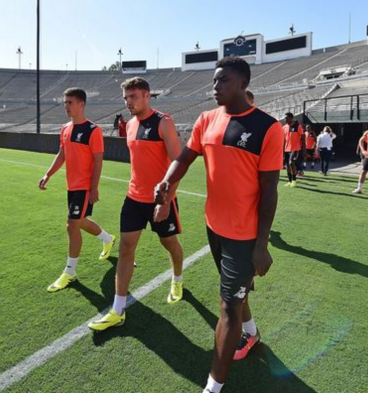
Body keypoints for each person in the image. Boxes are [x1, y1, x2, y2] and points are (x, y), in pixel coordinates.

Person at [154, 57, 283, 393]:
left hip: (244, 236)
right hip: (214, 226)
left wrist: (261, 243)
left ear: (243, 84)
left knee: (227, 308)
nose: (215, 87)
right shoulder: (206, 119)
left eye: (222, 80)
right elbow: (184, 157)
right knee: (235, 296)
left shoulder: (267, 128)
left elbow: (270, 192)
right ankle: (252, 333)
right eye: (214, 81)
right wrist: (167, 182)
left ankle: (213, 387)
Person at [88, 77, 185, 331]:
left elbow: (179, 164)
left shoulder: (163, 122)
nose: (128, 102)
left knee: (169, 243)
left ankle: (177, 278)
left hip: (160, 199)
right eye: (125, 98)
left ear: (147, 96)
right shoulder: (130, 125)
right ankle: (118, 309)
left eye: (133, 97)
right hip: (133, 197)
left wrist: (166, 201)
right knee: (126, 248)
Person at [39, 88, 116, 292]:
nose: (66, 106)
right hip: (71, 186)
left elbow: (98, 161)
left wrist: (94, 188)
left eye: (70, 102)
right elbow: (61, 155)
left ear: (81, 104)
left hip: (84, 186)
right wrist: (48, 174)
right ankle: (108, 239)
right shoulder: (64, 128)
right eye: (65, 102)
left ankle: (70, 272)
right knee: (79, 221)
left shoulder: (93, 130)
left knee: (71, 224)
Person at [283, 112, 305, 187]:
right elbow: (283, 139)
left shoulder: (297, 126)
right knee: (287, 165)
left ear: (291, 118)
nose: (285, 119)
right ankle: (289, 181)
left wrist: (304, 149)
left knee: (291, 163)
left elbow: (303, 137)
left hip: (295, 148)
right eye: (284, 118)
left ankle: (294, 181)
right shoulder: (284, 127)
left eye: (286, 118)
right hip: (286, 149)